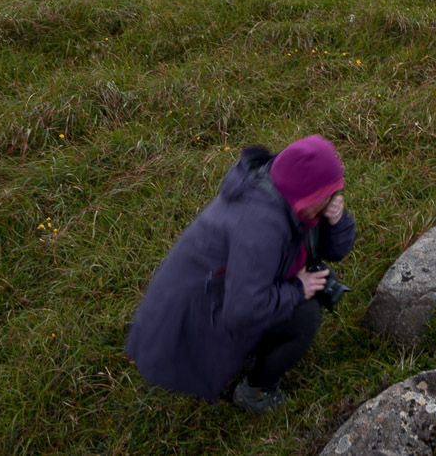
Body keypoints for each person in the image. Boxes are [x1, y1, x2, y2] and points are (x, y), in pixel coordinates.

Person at [125, 135, 354, 415]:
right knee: (305, 315)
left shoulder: (291, 196)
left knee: (308, 290)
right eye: (329, 195)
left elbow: (337, 251)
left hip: (220, 298)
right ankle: (255, 392)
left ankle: (253, 350)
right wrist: (297, 289)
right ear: (312, 195)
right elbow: (242, 310)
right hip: (189, 327)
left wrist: (336, 219)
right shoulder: (261, 227)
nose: (334, 199)